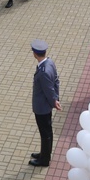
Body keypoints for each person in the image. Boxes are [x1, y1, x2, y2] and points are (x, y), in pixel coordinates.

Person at [29, 39, 62, 167]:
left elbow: (48, 89)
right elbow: (56, 81)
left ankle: (44, 160)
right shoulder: (49, 62)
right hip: (46, 105)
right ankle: (44, 153)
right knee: (46, 132)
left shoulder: (43, 72)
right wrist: (55, 99)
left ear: (35, 53)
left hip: (42, 108)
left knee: (45, 133)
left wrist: (54, 101)